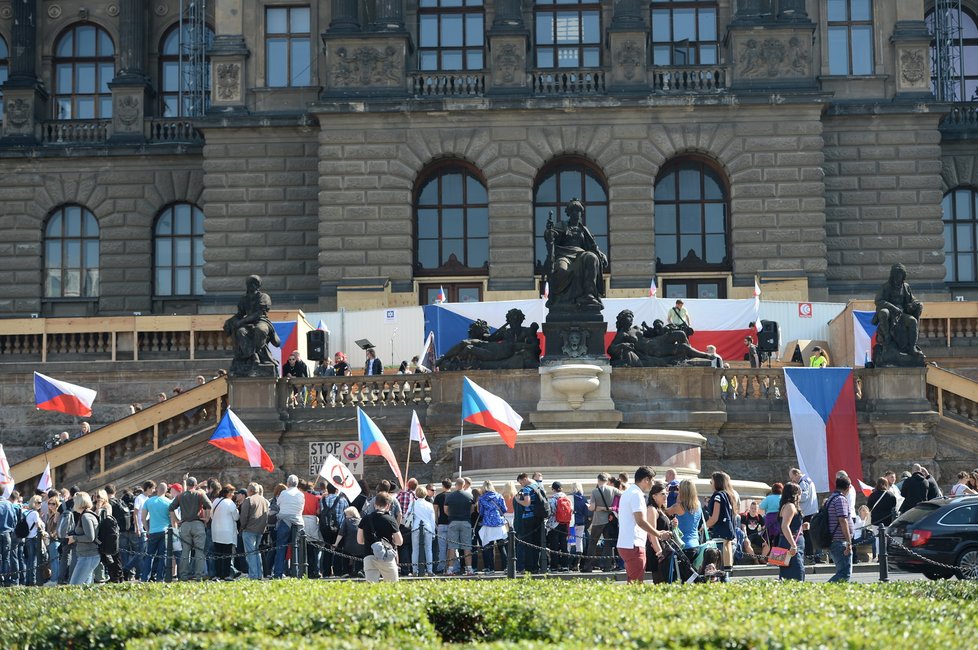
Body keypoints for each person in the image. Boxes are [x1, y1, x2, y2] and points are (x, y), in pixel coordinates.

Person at [542, 199, 608, 311]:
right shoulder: (562, 225)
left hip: (580, 255)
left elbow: (593, 246)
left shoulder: (584, 230)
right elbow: (551, 237)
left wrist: (601, 254)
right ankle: (561, 300)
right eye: (573, 211)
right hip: (564, 255)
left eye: (578, 211)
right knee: (561, 270)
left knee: (591, 257)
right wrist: (549, 231)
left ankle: (589, 295)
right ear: (569, 213)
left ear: (581, 213)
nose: (576, 213)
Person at [616, 466, 671, 584]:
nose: (653, 483)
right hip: (634, 544)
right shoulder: (637, 494)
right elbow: (640, 521)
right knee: (636, 584)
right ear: (646, 479)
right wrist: (658, 534)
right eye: (652, 480)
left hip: (627, 543)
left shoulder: (629, 492)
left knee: (633, 582)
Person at [223, 274, 281, 374]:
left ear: (258, 285)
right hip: (247, 323)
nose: (251, 285)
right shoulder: (244, 299)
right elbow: (240, 314)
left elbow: (258, 314)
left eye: (254, 283)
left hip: (262, 321)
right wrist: (230, 321)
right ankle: (253, 355)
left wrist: (241, 322)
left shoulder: (263, 297)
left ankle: (257, 355)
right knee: (241, 332)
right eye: (250, 283)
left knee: (260, 330)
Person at [168, 476, 212, 581]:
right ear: (195, 484)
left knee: (185, 552)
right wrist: (206, 518)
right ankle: (198, 575)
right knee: (199, 551)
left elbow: (171, 508)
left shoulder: (180, 496)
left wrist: (177, 520)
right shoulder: (200, 494)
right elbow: (209, 505)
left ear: (187, 485)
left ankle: (183, 576)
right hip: (198, 524)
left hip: (185, 525)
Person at [357, 491, 402, 583]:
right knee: (393, 586)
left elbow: (360, 540)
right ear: (388, 505)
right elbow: (399, 541)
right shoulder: (390, 520)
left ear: (375, 504)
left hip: (369, 555)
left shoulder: (365, 519)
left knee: (371, 588)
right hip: (386, 556)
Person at [705, 471, 738, 571]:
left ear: (717, 482)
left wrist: (704, 526)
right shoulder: (729, 496)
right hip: (727, 537)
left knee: (718, 570)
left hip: (719, 536)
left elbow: (714, 518)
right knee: (726, 571)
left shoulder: (718, 496)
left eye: (712, 481)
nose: (711, 483)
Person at [515, 472, 548, 573]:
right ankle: (536, 566)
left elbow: (527, 502)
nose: (521, 485)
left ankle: (530, 567)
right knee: (537, 543)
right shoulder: (537, 486)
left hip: (528, 518)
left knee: (529, 543)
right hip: (538, 517)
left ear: (524, 479)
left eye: (521, 482)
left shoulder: (526, 489)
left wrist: (518, 500)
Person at [273, 475, 304, 578]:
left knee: (281, 548)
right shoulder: (301, 494)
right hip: (297, 522)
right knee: (297, 548)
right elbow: (301, 508)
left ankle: (278, 573)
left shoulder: (283, 493)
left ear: (288, 483)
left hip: (284, 522)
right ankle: (298, 572)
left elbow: (278, 504)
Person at [68, 491, 101, 585]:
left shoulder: (85, 517)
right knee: (85, 588)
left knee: (74, 585)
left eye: (75, 502)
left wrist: (74, 538)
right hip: (88, 555)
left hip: (88, 556)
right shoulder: (87, 515)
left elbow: (90, 537)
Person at [141, 481, 172, 582]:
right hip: (165, 532)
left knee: (149, 556)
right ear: (166, 490)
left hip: (153, 532)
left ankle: (145, 577)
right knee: (163, 556)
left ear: (157, 489)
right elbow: (172, 519)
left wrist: (147, 529)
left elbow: (143, 518)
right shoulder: (169, 502)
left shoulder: (149, 501)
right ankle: (160, 578)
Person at [445, 477, 475, 576]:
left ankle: (450, 569)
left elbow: (445, 510)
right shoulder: (469, 496)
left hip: (453, 522)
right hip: (466, 522)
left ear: (455, 485)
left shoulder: (450, 496)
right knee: (467, 547)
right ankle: (469, 569)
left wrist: (452, 515)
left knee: (452, 547)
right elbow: (472, 510)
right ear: (464, 485)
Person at [239, 482, 269, 580]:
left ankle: (253, 575)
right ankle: (259, 574)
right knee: (256, 553)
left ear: (250, 491)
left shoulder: (249, 500)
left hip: (249, 529)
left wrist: (242, 527)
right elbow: (266, 515)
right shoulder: (264, 500)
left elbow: (243, 516)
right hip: (260, 530)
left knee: (250, 553)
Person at [827, 474, 854, 583]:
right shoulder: (840, 499)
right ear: (848, 488)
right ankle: (823, 591)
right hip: (840, 541)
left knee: (841, 572)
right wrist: (849, 542)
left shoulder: (832, 498)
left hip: (835, 540)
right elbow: (843, 520)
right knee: (844, 573)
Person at [776, 482, 805, 581]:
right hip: (790, 545)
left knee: (787, 575)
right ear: (794, 495)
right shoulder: (790, 506)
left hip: (788, 543)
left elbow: (789, 525)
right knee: (796, 574)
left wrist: (802, 527)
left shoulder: (787, 506)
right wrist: (793, 545)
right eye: (800, 493)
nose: (801, 496)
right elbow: (785, 526)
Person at [645, 481, 673, 583]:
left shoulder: (660, 509)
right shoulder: (652, 510)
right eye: (662, 494)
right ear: (654, 496)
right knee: (660, 581)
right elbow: (651, 533)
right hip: (658, 551)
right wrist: (659, 552)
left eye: (666, 493)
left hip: (665, 549)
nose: (665, 496)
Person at [210, 485, 239, 580]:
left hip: (216, 531)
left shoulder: (215, 501)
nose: (233, 495)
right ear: (229, 493)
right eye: (233, 493)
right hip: (227, 532)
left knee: (218, 554)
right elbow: (236, 517)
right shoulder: (230, 503)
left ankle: (217, 574)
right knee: (227, 555)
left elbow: (211, 515)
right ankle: (226, 574)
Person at [477, 481, 507, 574]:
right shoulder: (499, 496)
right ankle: (506, 567)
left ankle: (490, 568)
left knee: (488, 547)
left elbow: (481, 512)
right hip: (499, 524)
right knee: (502, 546)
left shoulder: (482, 498)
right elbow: (504, 509)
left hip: (488, 524)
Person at [409, 485, 436, 576]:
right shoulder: (429, 505)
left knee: (415, 549)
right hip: (428, 527)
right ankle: (429, 570)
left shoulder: (413, 503)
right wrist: (433, 532)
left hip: (416, 527)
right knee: (428, 549)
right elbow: (432, 519)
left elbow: (407, 515)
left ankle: (414, 570)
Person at [334, 506, 364, 578]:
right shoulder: (362, 520)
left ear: (350, 514)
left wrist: (336, 543)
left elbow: (341, 533)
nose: (346, 516)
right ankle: (358, 572)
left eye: (346, 514)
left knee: (345, 557)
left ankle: (346, 572)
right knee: (359, 559)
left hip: (349, 547)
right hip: (361, 546)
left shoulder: (347, 521)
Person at [22, 495, 46, 586]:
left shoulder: (28, 512)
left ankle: (28, 580)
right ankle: (33, 580)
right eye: (39, 502)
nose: (41, 504)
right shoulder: (35, 513)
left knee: (30, 560)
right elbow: (38, 526)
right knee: (34, 560)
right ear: (34, 503)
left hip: (28, 538)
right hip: (34, 538)